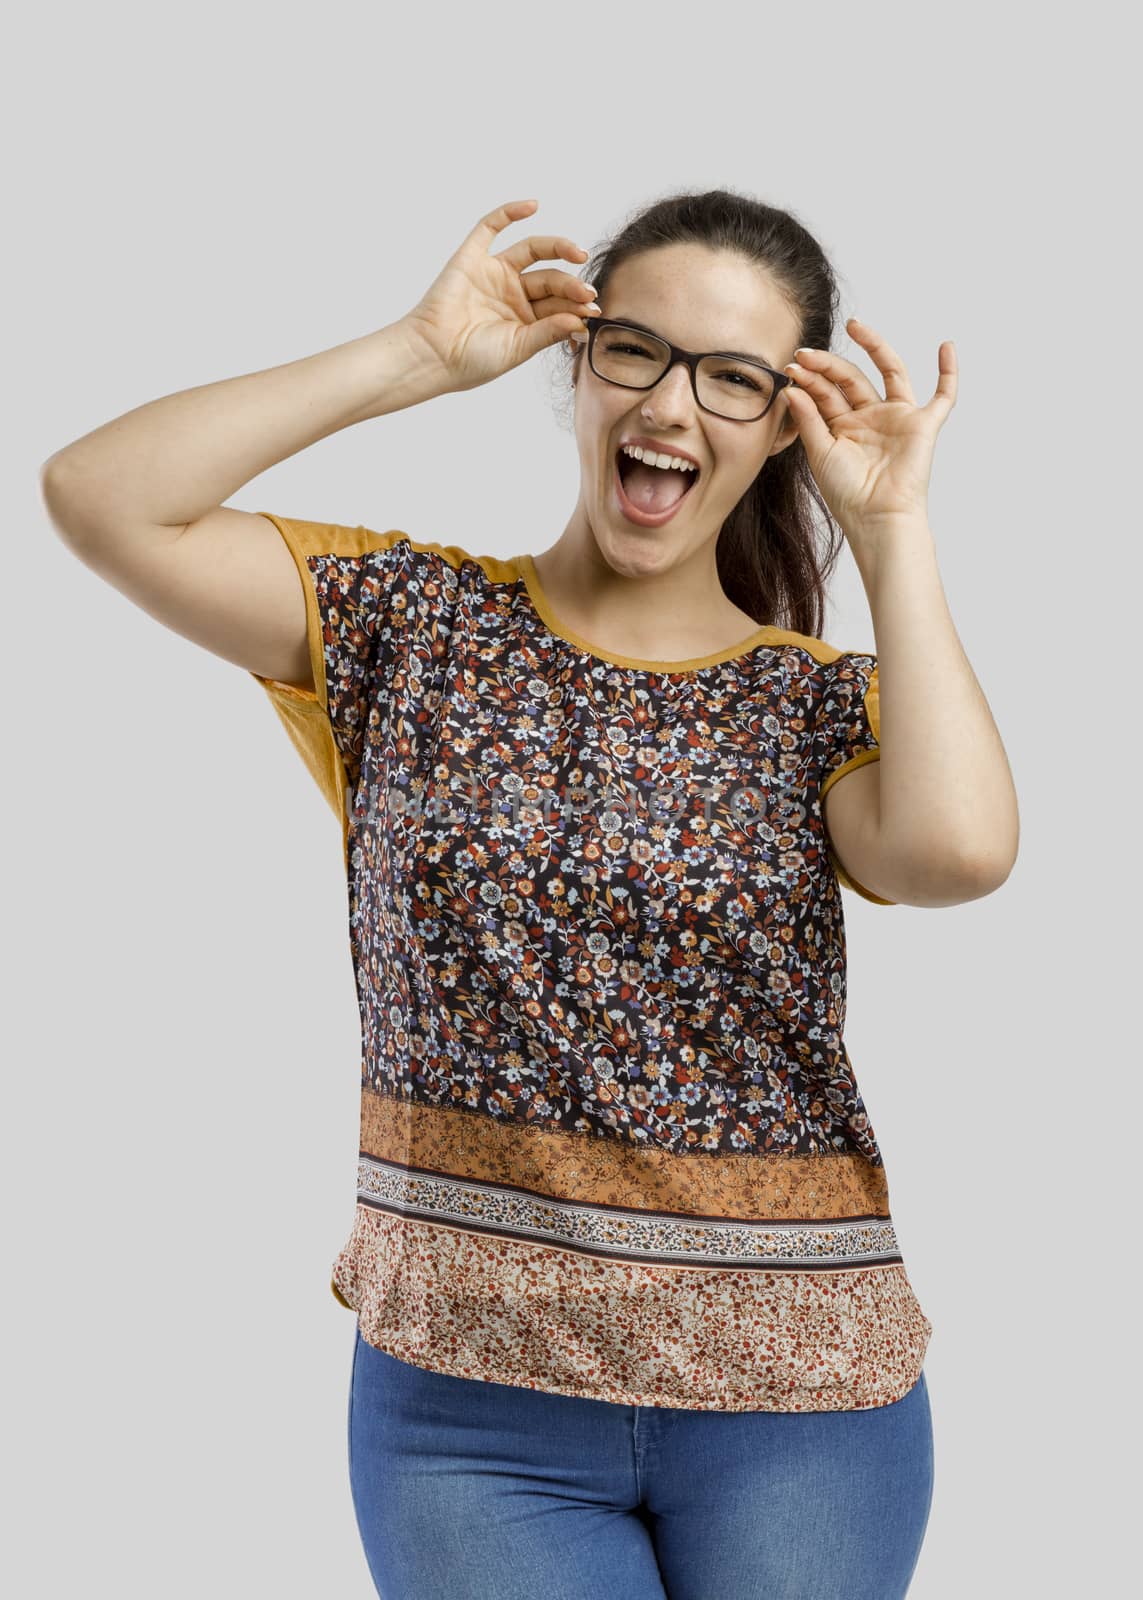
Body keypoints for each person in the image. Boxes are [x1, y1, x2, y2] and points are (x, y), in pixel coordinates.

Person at [40, 190, 1019, 1599]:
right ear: (581, 364)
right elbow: (100, 496)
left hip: (801, 1397)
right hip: (466, 1407)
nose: (676, 402)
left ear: (781, 426)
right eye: (639, 350)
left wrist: (893, 529)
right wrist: (413, 357)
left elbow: (960, 852)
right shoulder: (403, 629)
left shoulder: (817, 709)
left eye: (735, 377)